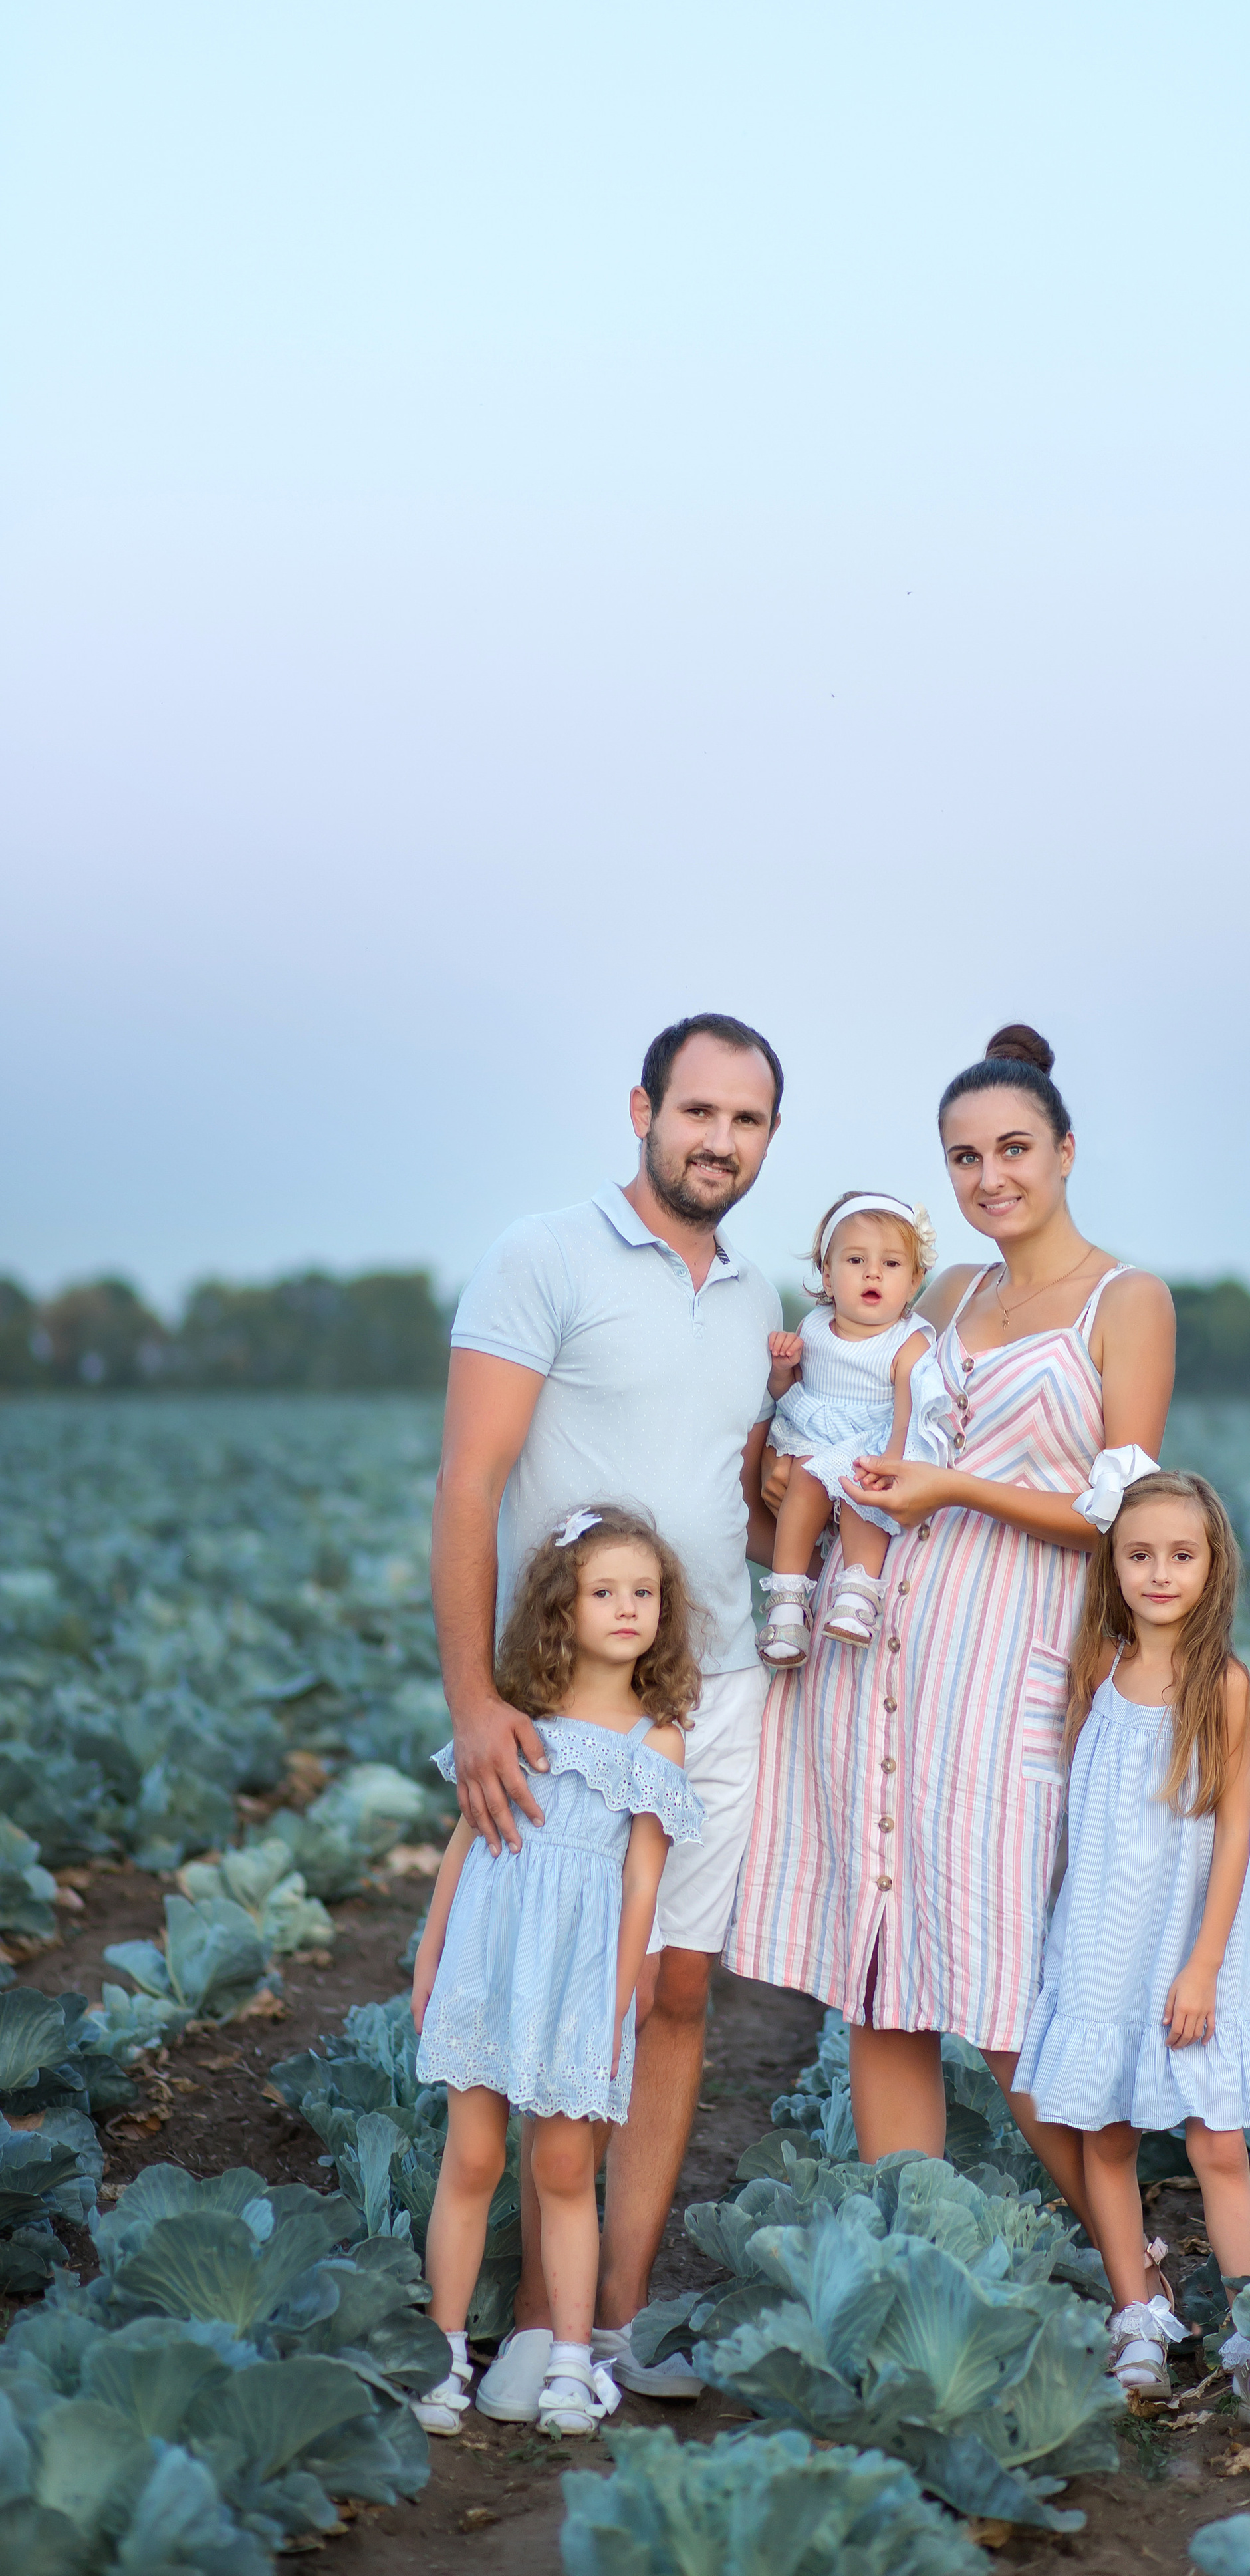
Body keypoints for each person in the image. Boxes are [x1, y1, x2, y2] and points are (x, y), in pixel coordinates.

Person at [727, 1024, 1174, 2212]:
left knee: (1006, 1982)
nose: (991, 1178)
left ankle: (1137, 2275)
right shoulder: (942, 1289)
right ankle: (910, 2249)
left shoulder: (1127, 1302)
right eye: (965, 1157)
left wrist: (957, 1488)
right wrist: (787, 1478)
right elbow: (856, 1423)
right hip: (874, 1648)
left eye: (1015, 1149)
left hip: (1007, 1660)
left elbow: (1129, 1518)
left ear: (1067, 1150)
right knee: (881, 1974)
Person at [432, 1012, 784, 2420]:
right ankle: (527, 2325)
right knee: (565, 1995)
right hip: (564, 1709)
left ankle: (613, 2321)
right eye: (696, 1111)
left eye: (746, 1121)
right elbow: (468, 1484)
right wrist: (473, 1701)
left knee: (674, 1989)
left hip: (715, 1696)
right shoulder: (542, 1255)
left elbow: (748, 1477)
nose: (718, 1141)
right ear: (641, 1107)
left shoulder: (763, 1292)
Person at [1011, 1469, 1250, 2436]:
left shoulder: (1223, 1685)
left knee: (1214, 2138)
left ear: (1212, 1565)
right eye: (1139, 1554)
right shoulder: (1098, 1668)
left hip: (1189, 1937)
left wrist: (1204, 1964)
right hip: (1106, 1925)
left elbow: (1234, 1837)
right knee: (1104, 2131)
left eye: (1181, 1555)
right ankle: (1138, 2310)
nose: (1159, 1572)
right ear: (1113, 1561)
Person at [410, 1508, 704, 2438]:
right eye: (604, 1591)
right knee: (476, 2155)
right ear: (560, 1608)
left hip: (581, 1973)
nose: (627, 1608)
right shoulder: (517, 1721)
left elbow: (644, 1881)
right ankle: (444, 2352)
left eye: (644, 1593)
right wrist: (428, 1959)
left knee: (568, 2162)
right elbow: (465, 1843)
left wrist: (617, 1998)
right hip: (489, 1955)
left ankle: (573, 2362)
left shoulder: (656, 1740)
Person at [757, 1193, 936, 1663]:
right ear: (828, 1275)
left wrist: (890, 1463)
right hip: (812, 1433)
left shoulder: (909, 1342)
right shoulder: (814, 1327)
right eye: (856, 1260)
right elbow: (785, 1393)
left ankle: (858, 1594)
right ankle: (788, 1603)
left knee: (861, 1492)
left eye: (892, 1263)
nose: (873, 1273)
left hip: (872, 1439)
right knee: (805, 1483)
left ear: (915, 1280)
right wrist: (782, 1367)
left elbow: (906, 1413)